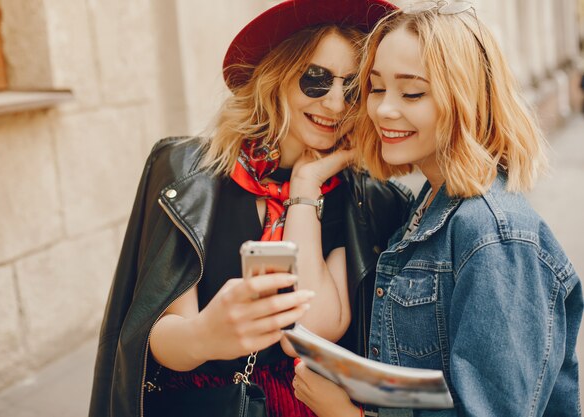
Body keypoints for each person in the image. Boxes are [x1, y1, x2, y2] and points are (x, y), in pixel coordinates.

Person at [88, 1, 411, 416]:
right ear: (277, 77)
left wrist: (305, 188)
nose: (334, 104)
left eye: (351, 89)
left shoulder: (358, 198)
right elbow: (155, 336)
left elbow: (313, 328)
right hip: (202, 403)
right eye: (316, 79)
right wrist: (208, 335)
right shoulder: (190, 173)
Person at [293, 2, 583, 416]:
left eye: (412, 92)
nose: (384, 109)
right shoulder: (429, 203)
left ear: (465, 98)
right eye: (375, 87)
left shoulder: (494, 235)